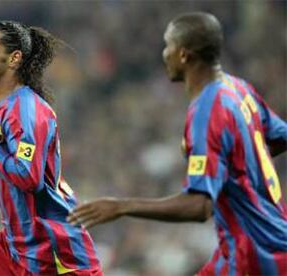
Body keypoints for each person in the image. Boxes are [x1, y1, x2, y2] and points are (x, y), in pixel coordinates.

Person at [67, 12, 287, 275]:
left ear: (183, 54)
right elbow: (280, 137)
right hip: (263, 242)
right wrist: (238, 166)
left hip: (254, 256)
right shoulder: (239, 89)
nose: (164, 53)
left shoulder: (208, 110)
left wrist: (121, 206)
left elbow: (199, 206)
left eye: (168, 45)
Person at [0, 20, 102, 276]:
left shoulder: (26, 110)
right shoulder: (12, 104)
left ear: (14, 58)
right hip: (16, 242)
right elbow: (11, 123)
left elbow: (29, 177)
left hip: (53, 252)